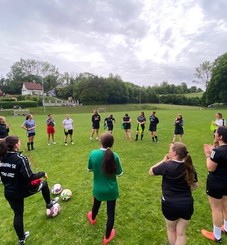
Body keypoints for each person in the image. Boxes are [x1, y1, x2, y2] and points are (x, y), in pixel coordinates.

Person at [0, 136, 59, 245]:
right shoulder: (20, 158)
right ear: (16, 145)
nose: (20, 143)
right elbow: (29, 177)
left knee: (18, 214)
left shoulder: (2, 157)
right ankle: (49, 204)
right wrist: (42, 173)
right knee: (44, 184)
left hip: (9, 192)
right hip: (23, 190)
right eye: (19, 142)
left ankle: (21, 239)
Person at [149, 142, 198, 245]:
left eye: (170, 149)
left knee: (171, 230)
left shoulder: (166, 165)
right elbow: (195, 186)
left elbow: (151, 171)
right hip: (186, 204)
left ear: (174, 153)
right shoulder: (190, 167)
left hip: (170, 204)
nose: (168, 151)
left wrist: (163, 161)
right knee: (181, 234)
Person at [87, 133, 123, 245]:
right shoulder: (115, 155)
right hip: (111, 190)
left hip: (98, 189)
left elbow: (89, 169)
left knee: (96, 205)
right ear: (111, 144)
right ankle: (107, 237)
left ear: (101, 142)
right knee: (110, 213)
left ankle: (92, 218)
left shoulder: (93, 153)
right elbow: (120, 173)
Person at [201, 126, 227, 243]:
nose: (214, 134)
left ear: (220, 137)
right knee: (226, 205)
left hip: (216, 184)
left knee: (216, 209)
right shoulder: (218, 151)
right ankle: (226, 228)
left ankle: (216, 236)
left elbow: (210, 168)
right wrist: (213, 152)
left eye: (216, 133)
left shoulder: (217, 152)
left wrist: (208, 154)